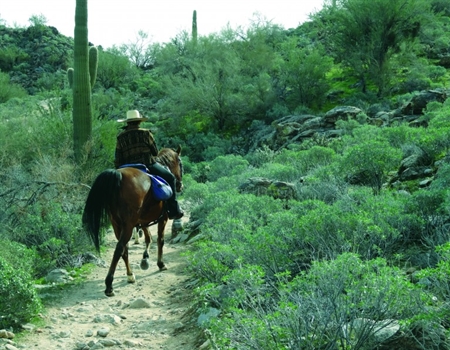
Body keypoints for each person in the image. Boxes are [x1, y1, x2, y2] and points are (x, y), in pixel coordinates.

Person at [114, 110, 184, 220]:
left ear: (127, 123)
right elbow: (155, 152)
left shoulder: (120, 137)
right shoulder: (146, 133)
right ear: (139, 122)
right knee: (170, 178)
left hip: (127, 168)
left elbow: (118, 158)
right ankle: (173, 210)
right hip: (147, 165)